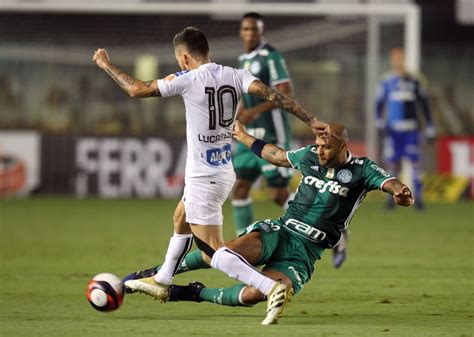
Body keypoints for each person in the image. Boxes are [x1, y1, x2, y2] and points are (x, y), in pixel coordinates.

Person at [92, 26, 328, 325]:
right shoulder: (237, 75)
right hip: (222, 170)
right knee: (181, 217)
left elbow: (136, 89)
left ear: (185, 57)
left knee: (211, 248)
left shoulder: (187, 78)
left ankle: (271, 287)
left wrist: (106, 64)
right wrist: (311, 119)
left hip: (204, 176)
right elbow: (275, 95)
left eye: (179, 59)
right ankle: (163, 278)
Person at [123, 121, 414, 322]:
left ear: (342, 145)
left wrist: (401, 191)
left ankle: (191, 293)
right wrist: (243, 135)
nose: (320, 151)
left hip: (306, 252)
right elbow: (275, 155)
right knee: (227, 253)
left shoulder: (362, 169)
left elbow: (389, 182)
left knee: (254, 294)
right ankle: (158, 271)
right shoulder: (310, 156)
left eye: (326, 147)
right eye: (318, 145)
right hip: (282, 231)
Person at [233, 12, 347, 268]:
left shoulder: (270, 56)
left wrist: (253, 112)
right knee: (239, 188)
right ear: (241, 32)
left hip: (273, 135)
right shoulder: (242, 59)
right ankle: (242, 252)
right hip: (250, 135)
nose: (250, 34)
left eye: (255, 30)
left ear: (261, 32)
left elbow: (285, 93)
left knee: (276, 193)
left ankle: (332, 230)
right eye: (246, 29)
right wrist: (240, 112)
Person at [375, 47, 435, 210]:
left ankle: (419, 200)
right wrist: (378, 120)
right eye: (395, 58)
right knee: (392, 164)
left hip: (411, 130)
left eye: (401, 57)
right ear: (391, 60)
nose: (398, 61)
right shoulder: (387, 81)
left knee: (415, 164)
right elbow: (378, 103)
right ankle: (391, 200)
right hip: (393, 131)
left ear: (405, 59)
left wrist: (429, 125)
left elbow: (424, 104)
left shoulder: (415, 81)